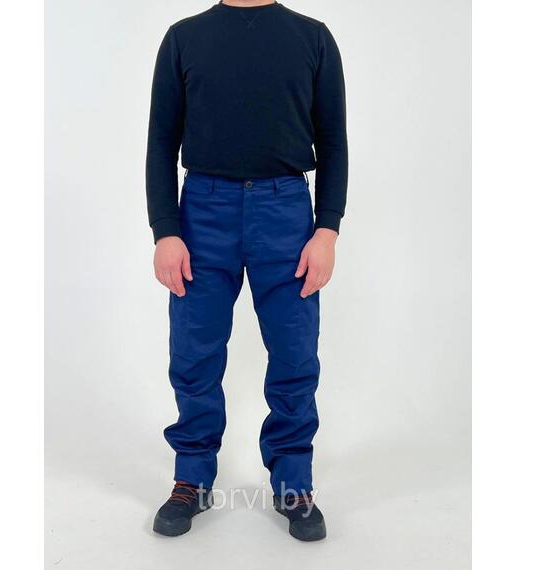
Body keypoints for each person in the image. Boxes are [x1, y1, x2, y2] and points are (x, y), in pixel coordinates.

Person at [146, 0, 347, 541]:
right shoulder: (184, 38)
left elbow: (332, 138)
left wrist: (327, 229)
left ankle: (293, 482)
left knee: (295, 351)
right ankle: (191, 478)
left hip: (286, 213)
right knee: (194, 350)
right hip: (202, 211)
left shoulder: (313, 38)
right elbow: (162, 139)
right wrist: (165, 230)